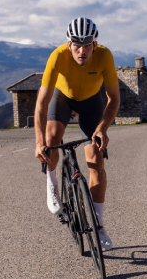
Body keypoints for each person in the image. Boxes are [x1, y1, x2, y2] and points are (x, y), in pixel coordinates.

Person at [34, 17, 120, 250]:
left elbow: (113, 99)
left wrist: (101, 128)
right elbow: (42, 102)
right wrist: (39, 141)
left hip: (91, 102)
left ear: (95, 44)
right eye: (76, 45)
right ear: (69, 44)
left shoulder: (105, 55)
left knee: (96, 159)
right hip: (62, 99)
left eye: (87, 45)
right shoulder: (57, 56)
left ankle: (99, 225)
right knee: (52, 140)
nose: (82, 51)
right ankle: (52, 185)